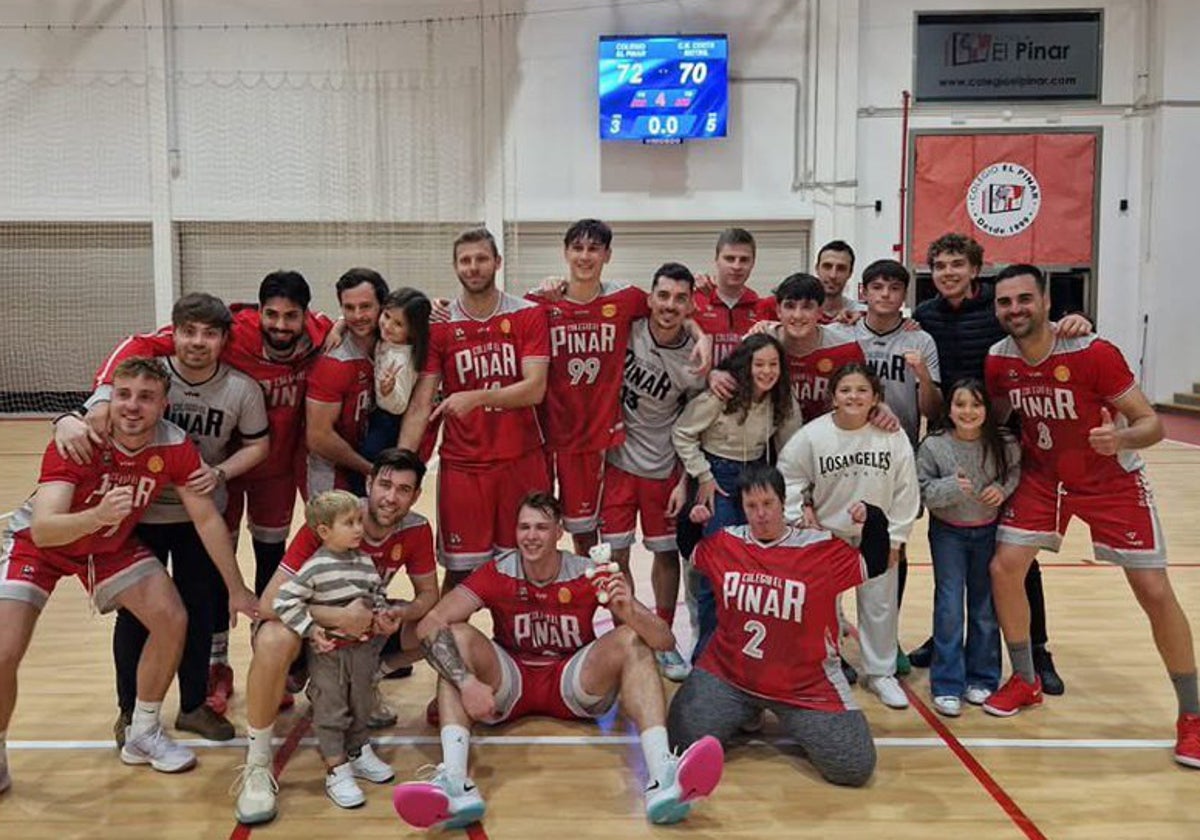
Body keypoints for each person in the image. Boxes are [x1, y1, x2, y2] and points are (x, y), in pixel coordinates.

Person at [392, 492, 724, 830]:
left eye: (541, 527)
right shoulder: (497, 571)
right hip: (511, 681)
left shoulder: (588, 572)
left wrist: (631, 610)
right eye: (524, 527)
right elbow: (430, 625)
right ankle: (454, 782)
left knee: (632, 639)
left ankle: (662, 775)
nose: (531, 536)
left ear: (559, 532)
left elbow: (664, 641)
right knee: (455, 637)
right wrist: (466, 682)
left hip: (574, 680)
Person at [0, 358, 258, 793]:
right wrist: (97, 515)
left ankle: (142, 732)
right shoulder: (81, 440)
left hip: (106, 546)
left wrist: (235, 589)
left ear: (164, 405)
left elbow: (208, 521)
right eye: (123, 395)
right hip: (38, 547)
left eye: (146, 397)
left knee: (172, 617)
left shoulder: (174, 446)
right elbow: (44, 528)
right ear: (109, 397)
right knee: (4, 651)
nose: (132, 407)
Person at [982, 264, 1200, 768]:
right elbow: (997, 416)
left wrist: (1119, 438)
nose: (1014, 309)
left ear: (1045, 300)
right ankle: (1025, 678)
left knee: (1153, 591)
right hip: (1044, 478)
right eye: (1004, 302)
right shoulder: (998, 361)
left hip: (1111, 480)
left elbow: (1152, 424)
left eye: (1023, 299)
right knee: (1004, 568)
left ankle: (1191, 715)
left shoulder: (1094, 352)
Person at [89, 270, 333, 713]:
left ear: (304, 317)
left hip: (270, 465)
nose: (280, 324)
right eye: (272, 315)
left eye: (290, 316)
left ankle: (271, 657)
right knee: (215, 572)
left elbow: (363, 328)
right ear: (258, 315)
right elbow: (144, 342)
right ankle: (217, 666)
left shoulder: (321, 333)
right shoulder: (228, 332)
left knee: (272, 561)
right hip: (216, 474)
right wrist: (99, 398)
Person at [56, 294, 270, 744]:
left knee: (196, 611)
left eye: (209, 333)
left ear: (224, 339)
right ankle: (130, 710)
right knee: (139, 617)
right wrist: (68, 416)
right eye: (189, 331)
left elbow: (258, 446)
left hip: (200, 515)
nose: (197, 341)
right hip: (141, 513)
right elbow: (97, 411)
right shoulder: (146, 380)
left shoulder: (241, 389)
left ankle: (194, 705)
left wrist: (219, 472)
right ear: (173, 333)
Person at [908, 234, 1086, 694]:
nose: (948, 273)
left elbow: (1041, 327)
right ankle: (946, 639)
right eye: (941, 265)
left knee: (1018, 549)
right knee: (951, 560)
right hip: (951, 435)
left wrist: (1079, 321)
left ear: (974, 269)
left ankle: (1038, 650)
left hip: (1005, 439)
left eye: (957, 265)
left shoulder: (999, 308)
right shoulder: (925, 314)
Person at [233, 448, 437, 825]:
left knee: (438, 629)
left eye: (404, 490)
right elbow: (269, 604)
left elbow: (429, 596)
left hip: (364, 633)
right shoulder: (333, 518)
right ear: (369, 483)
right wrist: (337, 616)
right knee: (273, 638)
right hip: (313, 628)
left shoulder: (417, 528)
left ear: (416, 496)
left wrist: (397, 613)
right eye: (385, 485)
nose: (391, 497)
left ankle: (371, 680)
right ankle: (258, 764)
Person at [667, 464, 892, 786]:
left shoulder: (819, 549)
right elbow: (690, 549)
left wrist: (873, 517)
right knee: (680, 744)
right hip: (729, 677)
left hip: (805, 688)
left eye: (768, 504)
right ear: (742, 508)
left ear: (783, 502)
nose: (760, 514)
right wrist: (690, 520)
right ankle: (747, 711)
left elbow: (876, 560)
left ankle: (789, 718)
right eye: (751, 506)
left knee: (853, 767)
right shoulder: (727, 543)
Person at [398, 227, 550, 590]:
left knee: (524, 568)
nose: (474, 267)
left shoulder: (529, 315)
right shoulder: (441, 327)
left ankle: (515, 648)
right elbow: (421, 403)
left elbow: (535, 388)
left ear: (497, 262)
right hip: (465, 467)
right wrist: (398, 463)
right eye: (465, 261)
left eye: (482, 259)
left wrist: (477, 396)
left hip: (521, 461)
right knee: (460, 574)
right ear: (455, 267)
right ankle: (446, 647)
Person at [777, 363, 920, 710]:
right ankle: (827, 666)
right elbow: (788, 478)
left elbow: (906, 489)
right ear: (833, 397)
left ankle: (880, 672)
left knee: (880, 604)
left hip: (876, 534)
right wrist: (799, 515)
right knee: (824, 606)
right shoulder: (813, 435)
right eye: (845, 390)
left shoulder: (893, 435)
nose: (853, 396)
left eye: (861, 390)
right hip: (829, 533)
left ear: (875, 397)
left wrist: (897, 538)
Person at [600, 262, 705, 680]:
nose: (670, 305)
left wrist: (683, 481)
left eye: (680, 299)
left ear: (691, 304)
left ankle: (661, 634)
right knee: (616, 555)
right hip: (615, 464)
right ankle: (629, 630)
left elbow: (695, 429)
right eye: (663, 296)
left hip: (663, 468)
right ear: (650, 298)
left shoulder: (695, 362)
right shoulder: (630, 327)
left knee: (665, 553)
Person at [672, 333, 799, 660]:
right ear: (746, 365)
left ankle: (751, 651)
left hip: (757, 477)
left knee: (759, 566)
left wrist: (791, 495)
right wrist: (704, 475)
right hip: (720, 477)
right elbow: (682, 433)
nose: (767, 371)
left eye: (773, 364)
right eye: (760, 364)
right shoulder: (721, 395)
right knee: (718, 567)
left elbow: (791, 447)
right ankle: (707, 655)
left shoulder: (782, 398)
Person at [272, 490, 400, 808]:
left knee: (361, 702)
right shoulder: (315, 567)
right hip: (329, 655)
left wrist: (382, 613)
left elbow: (376, 593)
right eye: (350, 523)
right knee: (331, 708)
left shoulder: (364, 561)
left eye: (359, 520)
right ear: (325, 531)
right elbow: (283, 602)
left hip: (362, 651)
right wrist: (311, 630)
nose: (359, 528)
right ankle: (336, 768)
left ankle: (358, 750)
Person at [916, 379, 1018, 716]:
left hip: (988, 533)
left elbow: (1016, 472)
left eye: (975, 405)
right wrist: (951, 487)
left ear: (986, 410)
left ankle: (983, 677)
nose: (968, 412)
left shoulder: (1003, 443)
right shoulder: (934, 446)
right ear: (949, 410)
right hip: (948, 534)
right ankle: (946, 683)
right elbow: (923, 490)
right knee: (948, 606)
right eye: (960, 405)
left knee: (984, 607)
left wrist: (1002, 489)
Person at [307, 267, 389, 496]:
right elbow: (319, 438)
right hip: (335, 477)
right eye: (349, 308)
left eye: (365, 306)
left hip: (372, 466)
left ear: (382, 305)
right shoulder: (334, 362)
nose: (357, 316)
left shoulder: (392, 346)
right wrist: (372, 470)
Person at [361, 287, 431, 465]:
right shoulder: (389, 341)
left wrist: (388, 390)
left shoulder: (401, 359)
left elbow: (398, 406)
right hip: (377, 416)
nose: (388, 325)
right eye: (386, 316)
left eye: (398, 324)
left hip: (387, 422)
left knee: (370, 460)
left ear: (413, 331)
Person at [691, 227, 768, 365]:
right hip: (699, 386)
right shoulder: (693, 301)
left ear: (753, 263)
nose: (736, 266)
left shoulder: (763, 308)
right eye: (729, 258)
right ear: (716, 260)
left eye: (744, 260)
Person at [754, 239, 865, 325]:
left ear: (850, 273)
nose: (833, 275)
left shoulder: (860, 314)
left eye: (841, 268)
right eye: (827, 266)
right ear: (817, 268)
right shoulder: (773, 305)